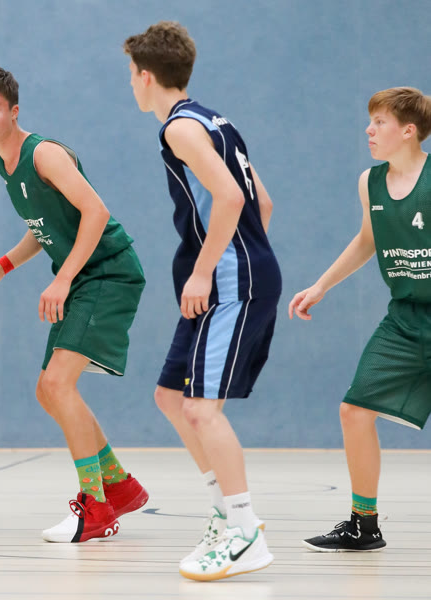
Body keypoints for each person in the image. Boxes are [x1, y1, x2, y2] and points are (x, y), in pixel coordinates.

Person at [0, 66, 149, 543]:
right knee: (48, 391)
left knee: (57, 383)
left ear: (14, 112)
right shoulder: (4, 164)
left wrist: (63, 278)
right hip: (84, 276)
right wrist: (0, 268)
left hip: (107, 273)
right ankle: (119, 485)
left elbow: (96, 211)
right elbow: (43, 227)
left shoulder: (43, 153)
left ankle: (96, 506)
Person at [123, 22, 280, 579]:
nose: (131, 84)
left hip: (230, 280)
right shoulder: (215, 120)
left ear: (146, 76)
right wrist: (242, 257)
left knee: (200, 409)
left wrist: (210, 268)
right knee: (171, 397)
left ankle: (245, 531)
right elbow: (263, 202)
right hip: (234, 274)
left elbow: (232, 197)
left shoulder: (179, 129)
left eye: (131, 75)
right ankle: (223, 513)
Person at [290, 87, 431, 552]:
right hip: (404, 320)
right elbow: (368, 240)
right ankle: (363, 525)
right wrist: (321, 285)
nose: (369, 131)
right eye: (370, 121)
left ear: (408, 131)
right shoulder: (369, 182)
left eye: (380, 122)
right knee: (354, 410)